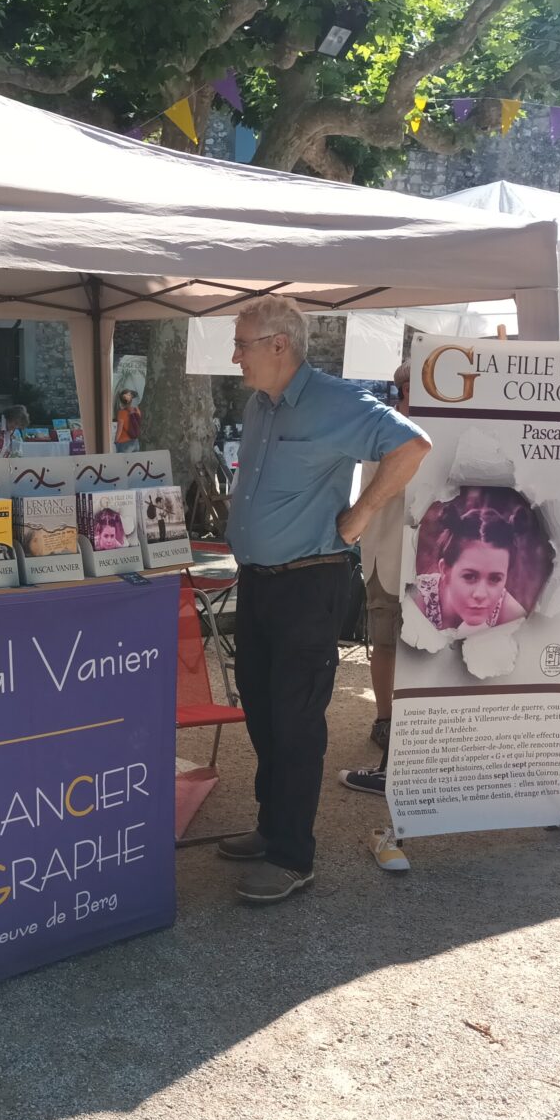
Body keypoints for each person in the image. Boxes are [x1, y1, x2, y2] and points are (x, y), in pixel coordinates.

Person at [219, 295, 430, 903]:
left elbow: (411, 445)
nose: (235, 356)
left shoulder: (335, 400)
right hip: (259, 580)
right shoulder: (262, 405)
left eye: (242, 343)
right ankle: (271, 826)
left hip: (308, 582)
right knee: (260, 705)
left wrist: (360, 515)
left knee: (296, 716)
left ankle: (293, 856)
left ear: (278, 344)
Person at [338, 362, 411, 797]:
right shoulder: (384, 429)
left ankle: (415, 726)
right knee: (384, 641)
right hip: (388, 551)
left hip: (432, 561)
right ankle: (385, 719)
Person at [411, 498, 532, 632]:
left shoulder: (512, 615)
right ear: (445, 570)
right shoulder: (415, 601)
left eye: (495, 579)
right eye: (469, 576)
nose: (480, 594)